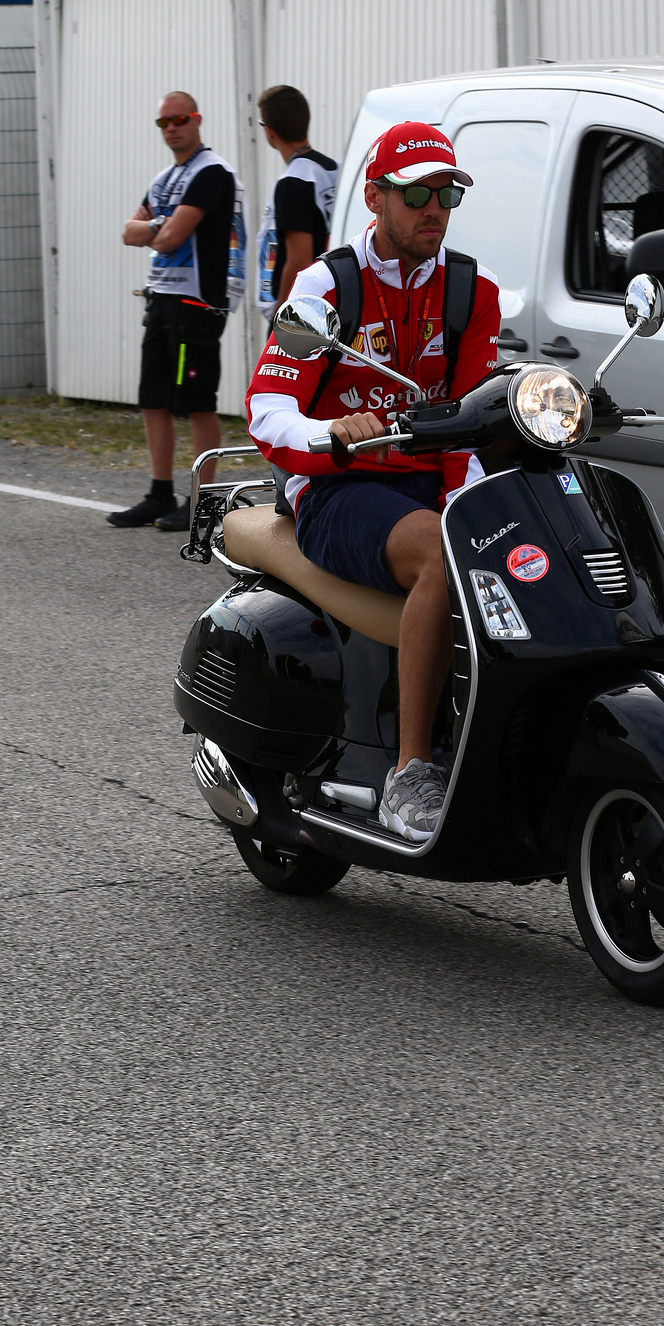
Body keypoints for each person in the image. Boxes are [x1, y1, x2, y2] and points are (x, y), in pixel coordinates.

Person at [246, 121, 501, 841]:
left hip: (422, 480)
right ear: (375, 196)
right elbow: (267, 409)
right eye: (417, 191)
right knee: (437, 552)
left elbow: (472, 413)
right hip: (334, 484)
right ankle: (408, 773)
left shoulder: (470, 289)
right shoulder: (328, 285)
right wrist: (330, 436)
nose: (435, 208)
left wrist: (468, 499)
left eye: (447, 192)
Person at [108, 90, 237, 529]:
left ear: (196, 119)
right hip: (160, 298)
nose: (171, 128)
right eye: (163, 123)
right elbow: (128, 232)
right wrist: (159, 225)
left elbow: (169, 239)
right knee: (153, 400)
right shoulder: (165, 177)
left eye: (179, 119)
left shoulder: (212, 172)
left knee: (197, 403)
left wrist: (156, 226)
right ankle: (160, 494)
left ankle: (202, 501)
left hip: (197, 302)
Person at [254, 84, 337, 319]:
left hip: (306, 313)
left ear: (269, 131)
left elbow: (298, 260)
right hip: (337, 299)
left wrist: (282, 317)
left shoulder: (293, 182)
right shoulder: (334, 170)